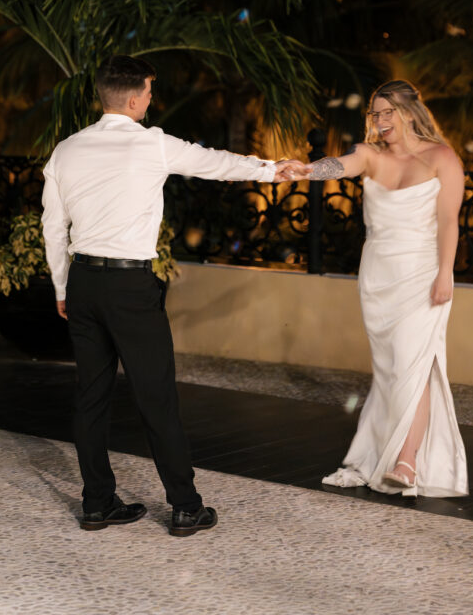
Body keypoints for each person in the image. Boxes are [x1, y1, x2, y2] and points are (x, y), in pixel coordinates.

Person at [41, 54, 293, 536]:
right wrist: (272, 169)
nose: (151, 100)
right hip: (130, 286)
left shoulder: (66, 149)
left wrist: (60, 286)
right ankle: (185, 507)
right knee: (156, 397)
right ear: (135, 99)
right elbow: (216, 163)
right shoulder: (152, 143)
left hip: (84, 281)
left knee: (90, 397)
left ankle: (96, 504)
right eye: (150, 93)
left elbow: (54, 227)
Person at [304, 80, 468, 498]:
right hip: (378, 276)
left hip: (423, 272)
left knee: (416, 361)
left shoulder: (442, 157)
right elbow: (339, 165)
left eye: (386, 112)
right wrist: (306, 170)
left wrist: (445, 273)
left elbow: (449, 222)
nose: (379, 120)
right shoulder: (370, 154)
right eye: (374, 113)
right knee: (392, 369)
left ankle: (407, 461)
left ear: (408, 112)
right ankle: (390, 450)